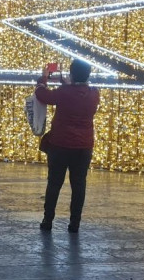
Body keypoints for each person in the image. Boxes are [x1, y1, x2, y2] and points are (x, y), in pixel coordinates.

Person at [35, 59, 100, 234]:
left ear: (71, 74)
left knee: (54, 183)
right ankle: (74, 224)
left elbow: (43, 95)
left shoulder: (63, 93)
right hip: (84, 146)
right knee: (79, 185)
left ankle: (48, 220)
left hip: (60, 144)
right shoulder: (94, 94)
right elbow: (77, 92)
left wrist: (43, 79)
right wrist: (68, 83)